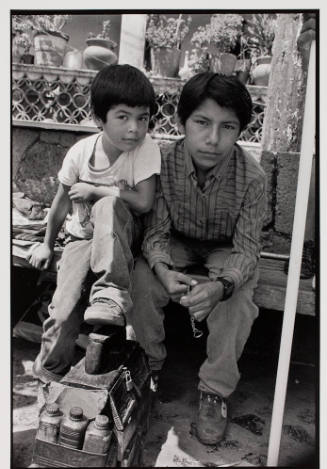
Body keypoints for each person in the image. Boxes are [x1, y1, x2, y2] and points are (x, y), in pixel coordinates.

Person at [130, 72, 267, 445]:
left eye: (228, 127)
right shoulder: (161, 161)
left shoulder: (253, 177)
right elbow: (156, 232)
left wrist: (221, 287)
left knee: (238, 299)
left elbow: (247, 248)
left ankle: (215, 391)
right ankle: (149, 367)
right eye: (202, 123)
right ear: (182, 122)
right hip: (176, 240)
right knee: (143, 279)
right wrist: (161, 269)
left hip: (224, 247)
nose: (213, 138)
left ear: (241, 131)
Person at [28, 64, 161, 384]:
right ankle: (49, 369)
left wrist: (97, 190)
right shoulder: (80, 153)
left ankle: (110, 295)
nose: (134, 128)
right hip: (80, 239)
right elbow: (60, 203)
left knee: (109, 204)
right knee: (63, 309)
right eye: (123, 117)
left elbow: (143, 202)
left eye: (142, 118)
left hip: (122, 239)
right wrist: (47, 243)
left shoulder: (146, 149)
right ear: (99, 119)